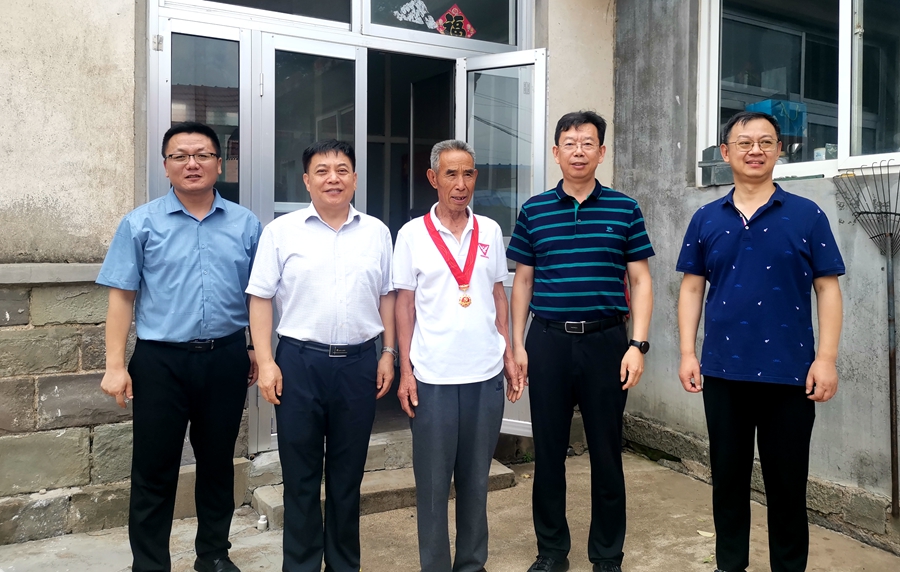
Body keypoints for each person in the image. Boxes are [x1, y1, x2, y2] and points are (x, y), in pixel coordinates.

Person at [676, 111, 844, 572]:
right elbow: (691, 288)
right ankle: (730, 565)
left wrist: (826, 358)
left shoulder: (807, 215)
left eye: (766, 142)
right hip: (723, 372)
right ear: (725, 152)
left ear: (779, 150)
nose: (756, 150)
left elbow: (828, 289)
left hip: (790, 373)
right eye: (745, 142)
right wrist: (688, 352)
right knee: (727, 483)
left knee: (787, 487)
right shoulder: (706, 217)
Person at [96, 121, 261, 572]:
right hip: (160, 363)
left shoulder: (246, 224)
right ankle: (150, 564)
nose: (192, 164)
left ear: (219, 163)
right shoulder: (140, 223)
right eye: (180, 156)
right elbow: (121, 297)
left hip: (225, 358)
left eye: (203, 155)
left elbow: (257, 296)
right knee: (154, 468)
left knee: (217, 464)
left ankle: (213, 555)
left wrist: (252, 347)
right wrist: (115, 365)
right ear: (166, 165)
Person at [507, 111, 654, 572]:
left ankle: (607, 554)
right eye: (569, 143)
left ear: (601, 152)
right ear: (556, 152)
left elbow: (641, 280)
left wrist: (638, 345)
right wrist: (518, 344)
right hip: (548, 341)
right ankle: (552, 551)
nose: (578, 151)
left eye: (588, 143)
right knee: (549, 452)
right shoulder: (534, 210)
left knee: (606, 453)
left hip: (606, 342)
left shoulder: (624, 208)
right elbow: (523, 281)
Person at [246, 140, 396, 572]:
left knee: (348, 477)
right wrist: (267, 361)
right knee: (300, 476)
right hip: (299, 363)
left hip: (358, 364)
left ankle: (345, 565)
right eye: (323, 171)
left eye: (343, 170)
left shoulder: (376, 232)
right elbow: (260, 298)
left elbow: (387, 295)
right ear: (307, 180)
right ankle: (302, 565)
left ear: (355, 179)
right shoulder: (281, 232)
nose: (334, 178)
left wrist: (388, 352)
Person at [393, 139, 524, 572]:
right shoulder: (412, 234)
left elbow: (497, 294)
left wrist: (508, 354)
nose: (461, 183)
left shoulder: (489, 230)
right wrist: (405, 370)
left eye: (468, 174)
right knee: (433, 486)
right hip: (433, 377)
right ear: (433, 178)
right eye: (451, 174)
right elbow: (405, 306)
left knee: (476, 481)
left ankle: (472, 564)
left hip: (484, 374)